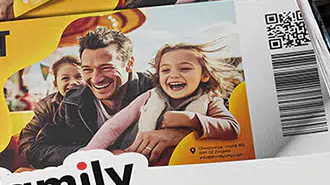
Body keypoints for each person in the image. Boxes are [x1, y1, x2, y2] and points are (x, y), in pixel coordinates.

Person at [23, 27, 185, 167]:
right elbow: (37, 151)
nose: (96, 78)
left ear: (129, 64)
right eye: (87, 70)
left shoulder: (158, 88)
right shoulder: (73, 101)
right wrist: (89, 154)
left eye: (106, 68)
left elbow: (204, 118)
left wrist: (178, 135)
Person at [83, 43, 239, 163]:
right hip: (131, 157)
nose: (174, 75)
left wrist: (192, 120)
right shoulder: (150, 96)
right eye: (166, 70)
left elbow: (232, 127)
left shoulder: (210, 100)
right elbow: (114, 126)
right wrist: (89, 155)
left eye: (184, 69)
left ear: (204, 75)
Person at [16, 54, 83, 169]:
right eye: (65, 78)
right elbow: (26, 143)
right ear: (55, 84)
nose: (73, 82)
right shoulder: (46, 106)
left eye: (79, 77)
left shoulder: (97, 101)